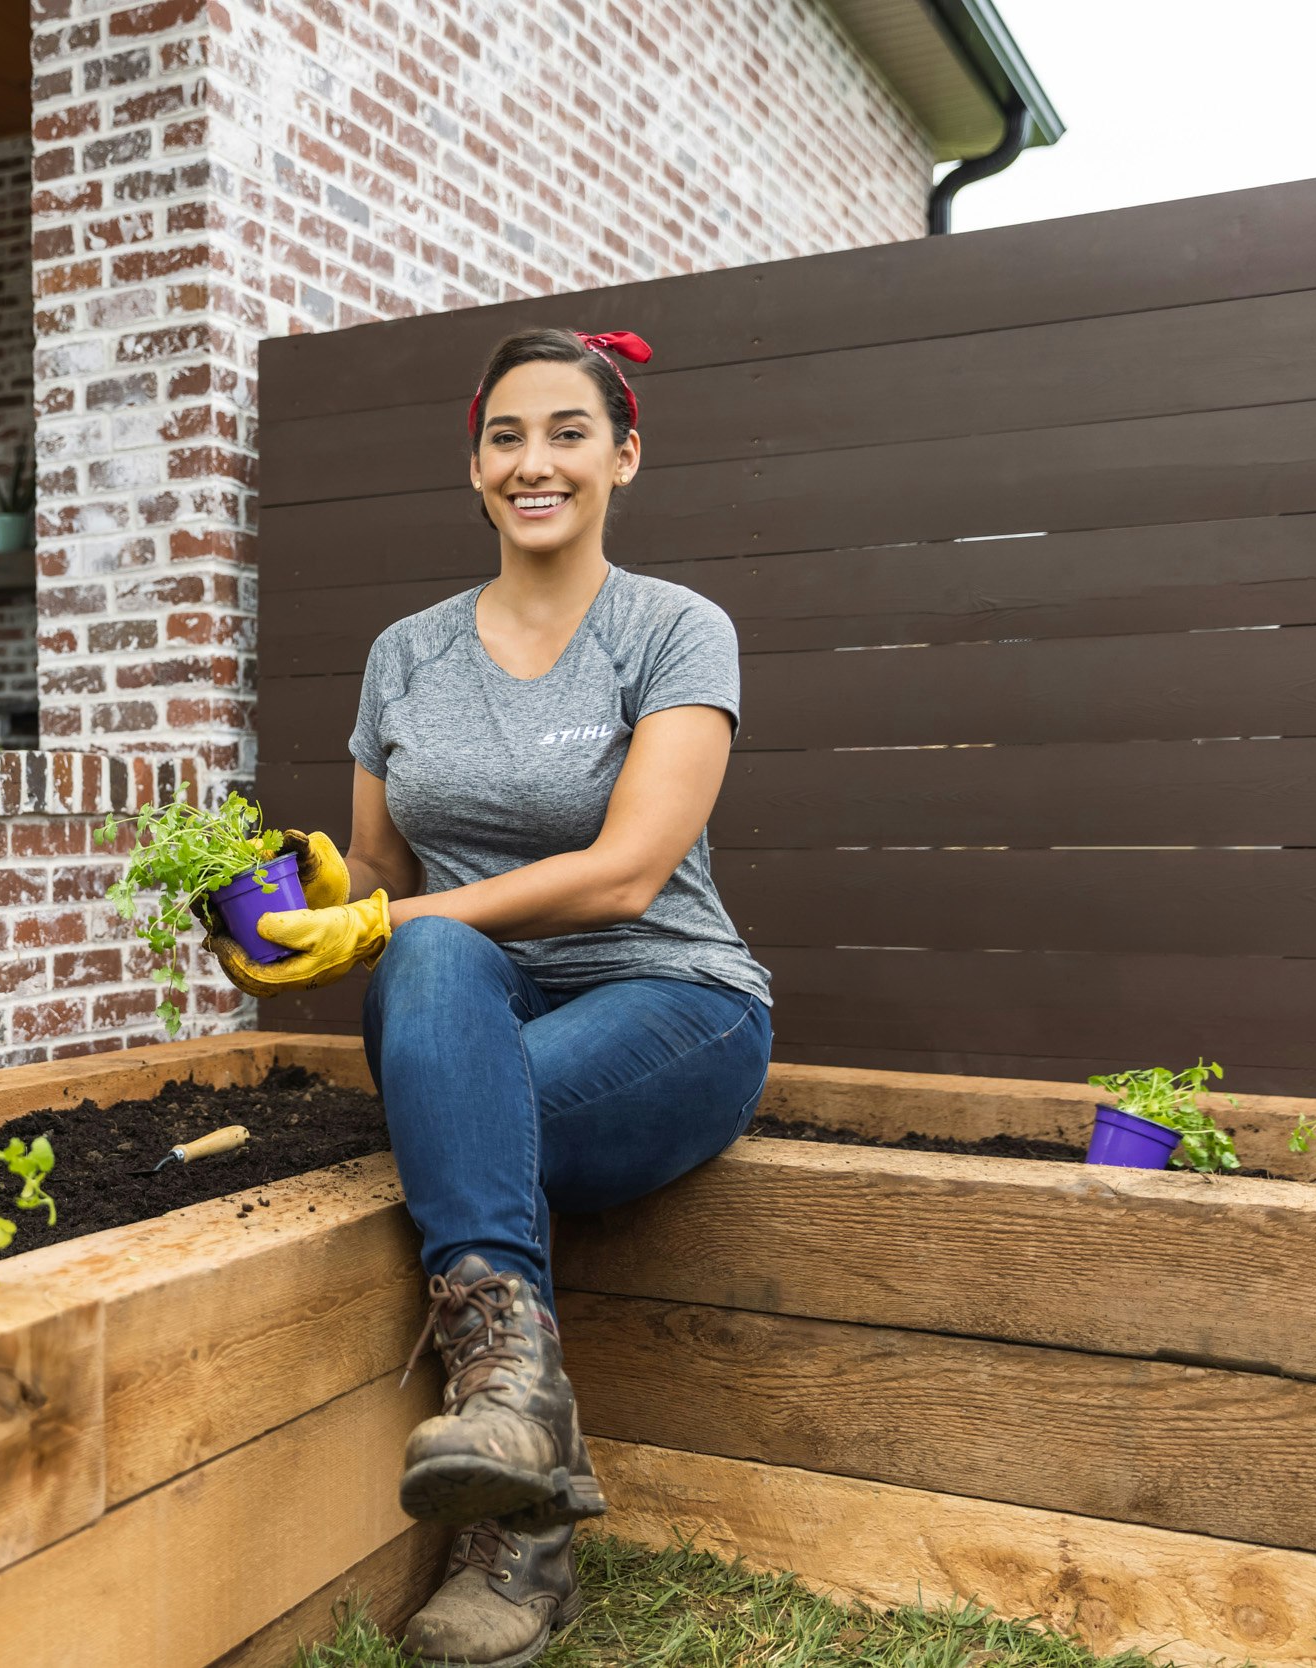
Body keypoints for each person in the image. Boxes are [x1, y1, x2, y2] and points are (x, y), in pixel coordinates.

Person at [211, 327, 774, 1668]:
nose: (535, 463)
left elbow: (630, 873)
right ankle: (514, 1423)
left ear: (623, 455)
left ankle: (513, 1514)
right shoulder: (405, 655)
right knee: (434, 958)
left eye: (567, 433)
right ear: (474, 468)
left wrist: (379, 920)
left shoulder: (673, 629)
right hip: (472, 1007)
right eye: (506, 437)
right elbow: (387, 884)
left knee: (464, 1093)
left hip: (671, 1006)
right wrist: (293, 915)